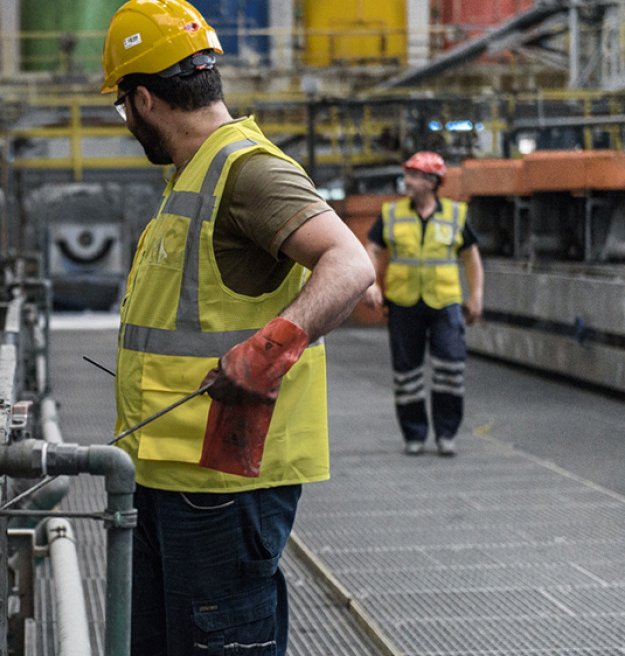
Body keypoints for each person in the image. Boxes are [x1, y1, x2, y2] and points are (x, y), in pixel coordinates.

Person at [101, 1, 375, 654]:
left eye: (122, 110)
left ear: (143, 100)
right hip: (167, 476)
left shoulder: (249, 170)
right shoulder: (191, 177)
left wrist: (269, 348)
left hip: (222, 485)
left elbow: (351, 264)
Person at [362, 151, 485, 457]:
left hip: (445, 303)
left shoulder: (455, 214)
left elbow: (471, 257)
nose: (408, 181)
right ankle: (414, 434)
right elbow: (372, 249)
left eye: (415, 176)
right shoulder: (392, 213)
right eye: (408, 174)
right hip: (404, 303)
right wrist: (371, 283)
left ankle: (446, 433)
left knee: (450, 368)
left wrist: (476, 295)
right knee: (407, 373)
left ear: (432, 182)